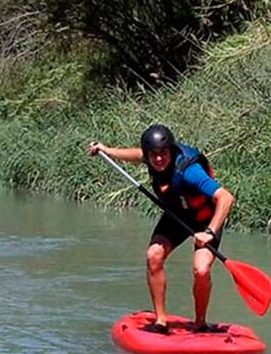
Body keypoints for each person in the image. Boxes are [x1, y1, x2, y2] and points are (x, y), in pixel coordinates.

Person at [89, 125, 235, 334]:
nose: (158, 159)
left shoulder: (190, 171)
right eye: (153, 154)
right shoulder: (151, 157)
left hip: (206, 220)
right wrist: (106, 150)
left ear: (171, 151)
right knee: (154, 256)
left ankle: (201, 323)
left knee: (201, 270)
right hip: (178, 216)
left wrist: (210, 232)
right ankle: (161, 321)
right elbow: (136, 154)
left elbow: (226, 198)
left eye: (163, 153)